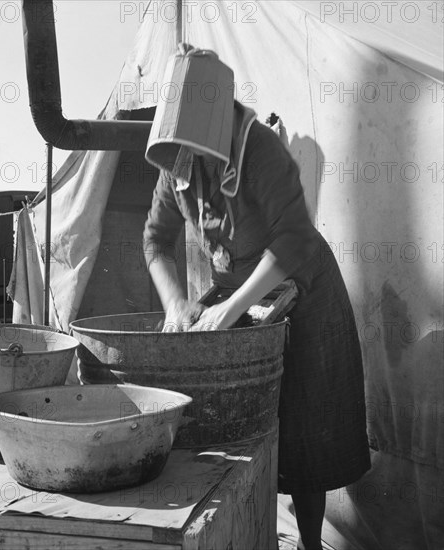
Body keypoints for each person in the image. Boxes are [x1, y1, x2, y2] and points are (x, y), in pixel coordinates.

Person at [143, 45, 371, 550]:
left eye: (200, 145)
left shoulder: (261, 150)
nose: (193, 159)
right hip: (241, 294)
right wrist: (177, 304)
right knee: (241, 421)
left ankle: (309, 543)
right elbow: (155, 241)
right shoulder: (176, 161)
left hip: (304, 288)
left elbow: (293, 240)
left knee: (304, 431)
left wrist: (232, 308)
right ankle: (248, 534)